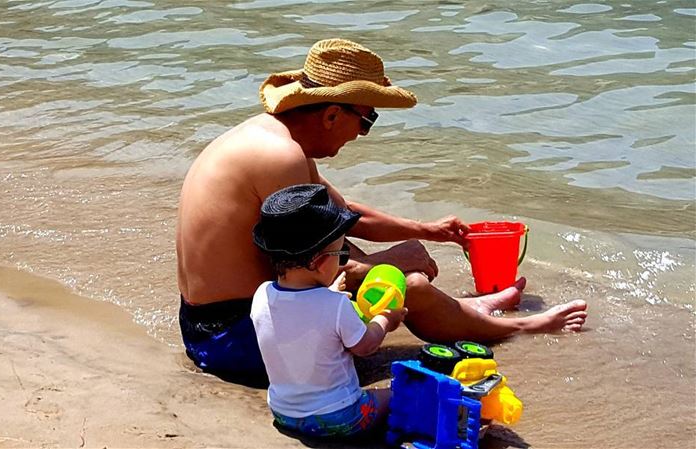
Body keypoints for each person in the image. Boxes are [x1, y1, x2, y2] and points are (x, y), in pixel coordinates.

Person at [176, 38, 587, 385]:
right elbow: (319, 261)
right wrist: (389, 261)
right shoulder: (280, 157)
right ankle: (516, 324)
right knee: (407, 286)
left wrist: (427, 230)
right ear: (332, 114)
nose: (362, 134)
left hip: (213, 327)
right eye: (367, 119)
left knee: (392, 277)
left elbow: (345, 211)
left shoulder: (269, 139)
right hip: (236, 342)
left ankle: (471, 312)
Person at [250, 184, 406, 439]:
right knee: (396, 393)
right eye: (342, 254)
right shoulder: (336, 306)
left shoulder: (261, 295)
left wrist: (329, 293)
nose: (343, 260)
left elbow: (300, 319)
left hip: (283, 413)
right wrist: (385, 319)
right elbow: (365, 346)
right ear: (319, 263)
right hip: (342, 418)